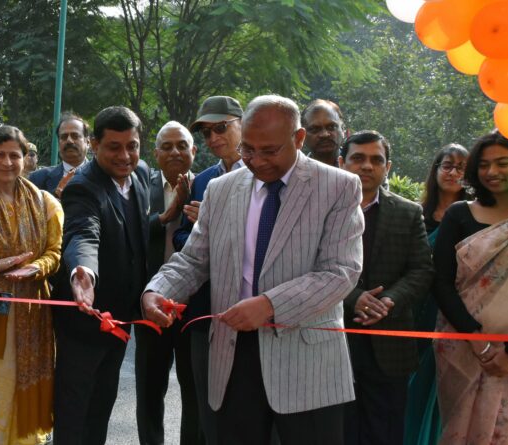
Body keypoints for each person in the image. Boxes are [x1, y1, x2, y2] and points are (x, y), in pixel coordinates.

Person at [143, 95, 364, 445]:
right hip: (231, 357)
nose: (256, 161)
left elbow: (340, 271)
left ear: (299, 138)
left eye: (270, 151)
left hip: (306, 359)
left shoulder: (338, 186)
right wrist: (159, 290)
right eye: (248, 149)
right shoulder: (221, 189)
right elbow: (195, 259)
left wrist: (270, 304)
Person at [52, 106, 150, 445]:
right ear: (95, 145)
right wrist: (83, 271)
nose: (125, 156)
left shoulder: (140, 177)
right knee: (74, 414)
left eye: (132, 146)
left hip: (120, 323)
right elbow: (83, 233)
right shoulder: (84, 186)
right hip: (84, 322)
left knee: (102, 408)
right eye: (114, 147)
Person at [0, 126, 63, 444]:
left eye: (14, 155)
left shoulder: (46, 203)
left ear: (26, 159)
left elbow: (54, 253)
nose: (7, 162)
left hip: (34, 313)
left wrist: (35, 267)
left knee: (26, 395)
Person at [337, 131, 433, 445]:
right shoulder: (322, 210)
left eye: (376, 160)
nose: (367, 166)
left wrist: (388, 301)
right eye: (358, 158)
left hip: (390, 342)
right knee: (338, 431)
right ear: (342, 163)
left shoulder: (408, 212)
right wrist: (353, 298)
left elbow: (421, 270)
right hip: (332, 341)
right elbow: (306, 266)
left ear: (387, 167)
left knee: (386, 432)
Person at [433, 130, 508, 444]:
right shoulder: (460, 214)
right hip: (462, 347)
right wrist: (477, 340)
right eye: (484, 164)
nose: (492, 172)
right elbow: (439, 281)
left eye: (503, 163)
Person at [172, 95, 245, 443]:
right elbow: (184, 241)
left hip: (250, 310)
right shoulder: (202, 181)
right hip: (204, 308)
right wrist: (199, 230)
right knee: (203, 405)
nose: (214, 139)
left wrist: (213, 224)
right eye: (206, 133)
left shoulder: (266, 177)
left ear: (241, 124)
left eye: (221, 128)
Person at [136, 120, 200, 445]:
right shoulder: (140, 186)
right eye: (167, 146)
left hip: (195, 308)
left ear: (194, 150)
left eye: (182, 145)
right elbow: (127, 233)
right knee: (149, 389)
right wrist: (163, 217)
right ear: (156, 152)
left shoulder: (211, 186)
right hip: (152, 305)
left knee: (194, 393)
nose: (175, 151)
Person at [404, 143, 469, 445]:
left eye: (461, 167)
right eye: (447, 165)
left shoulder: (474, 219)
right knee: (414, 385)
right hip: (418, 311)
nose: (453, 172)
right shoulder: (415, 215)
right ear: (436, 170)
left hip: (456, 313)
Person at [29, 112, 91, 197]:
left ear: (87, 142)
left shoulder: (103, 177)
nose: (69, 140)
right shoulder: (37, 179)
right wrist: (55, 197)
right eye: (64, 137)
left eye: (75, 136)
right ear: (58, 143)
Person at [301, 99, 346, 167]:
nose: (324, 134)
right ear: (303, 135)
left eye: (331, 127)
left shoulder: (359, 169)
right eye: (315, 129)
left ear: (343, 130)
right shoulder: (293, 173)